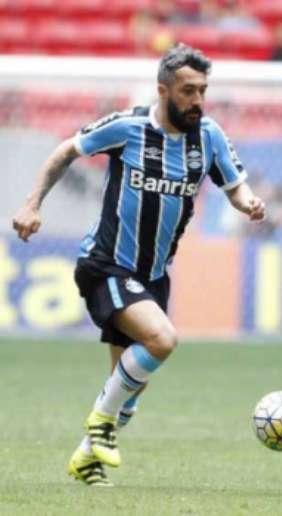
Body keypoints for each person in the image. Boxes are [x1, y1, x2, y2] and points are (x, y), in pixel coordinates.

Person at [11, 44, 266, 486]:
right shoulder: (127, 127)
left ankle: (86, 457)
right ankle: (100, 425)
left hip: (152, 275)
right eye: (188, 91)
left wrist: (250, 205)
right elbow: (65, 151)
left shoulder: (209, 136)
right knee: (162, 340)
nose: (198, 100)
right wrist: (32, 205)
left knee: (127, 386)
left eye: (203, 90)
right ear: (163, 90)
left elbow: (234, 186)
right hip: (107, 264)